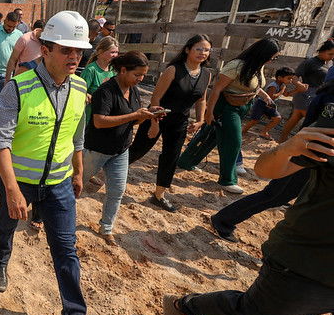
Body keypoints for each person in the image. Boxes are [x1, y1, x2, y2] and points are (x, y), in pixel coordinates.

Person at [162, 124, 334, 315]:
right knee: (258, 313)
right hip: (309, 259)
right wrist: (288, 147)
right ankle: (184, 305)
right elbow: (266, 169)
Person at [0, 10, 105, 315]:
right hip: (19, 182)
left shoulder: (81, 87)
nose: (74, 58)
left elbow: (77, 133)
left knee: (66, 251)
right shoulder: (18, 87)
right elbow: (0, 140)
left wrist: (78, 170)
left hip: (58, 185)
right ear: (45, 49)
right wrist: (11, 190)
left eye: (79, 52)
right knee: (7, 223)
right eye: (67, 50)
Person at [209, 67, 334, 242]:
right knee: (273, 195)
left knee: (280, 197)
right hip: (308, 156)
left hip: (314, 158)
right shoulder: (329, 100)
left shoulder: (325, 96)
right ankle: (223, 219)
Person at [178, 38, 280, 194]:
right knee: (233, 143)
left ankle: (186, 161)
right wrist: (209, 113)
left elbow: (255, 85)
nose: (272, 60)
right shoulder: (236, 66)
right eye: (272, 57)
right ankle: (228, 180)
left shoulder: (257, 67)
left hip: (241, 107)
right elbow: (217, 89)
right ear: (262, 54)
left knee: (210, 136)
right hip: (226, 107)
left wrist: (266, 97)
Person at [128, 35, 213, 212]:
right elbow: (156, 98)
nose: (203, 53)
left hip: (180, 122)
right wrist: (154, 122)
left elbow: (202, 99)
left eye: (206, 50)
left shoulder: (206, 74)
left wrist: (199, 120)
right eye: (199, 48)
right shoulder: (173, 70)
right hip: (159, 116)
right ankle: (111, 168)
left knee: (171, 157)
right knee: (138, 150)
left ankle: (159, 195)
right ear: (188, 50)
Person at [82, 51, 155, 245]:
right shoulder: (105, 92)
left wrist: (148, 115)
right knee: (74, 184)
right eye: (137, 75)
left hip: (121, 150)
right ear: (123, 70)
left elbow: (134, 119)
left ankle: (106, 228)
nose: (140, 79)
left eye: (143, 76)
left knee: (116, 191)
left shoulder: (133, 90)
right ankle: (49, 212)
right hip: (96, 149)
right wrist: (133, 116)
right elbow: (99, 121)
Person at [278, 40, 334, 142]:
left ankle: (283, 138)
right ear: (321, 51)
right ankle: (298, 142)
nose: (332, 57)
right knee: (310, 120)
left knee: (296, 117)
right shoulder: (310, 62)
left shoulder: (328, 63)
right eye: (330, 54)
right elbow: (295, 77)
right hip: (307, 94)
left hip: (316, 95)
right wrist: (299, 85)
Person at [242, 67, 300, 139]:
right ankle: (243, 132)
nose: (291, 81)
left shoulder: (282, 85)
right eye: (289, 78)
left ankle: (264, 132)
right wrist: (282, 91)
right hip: (261, 103)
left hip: (270, 105)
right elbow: (271, 97)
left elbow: (286, 94)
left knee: (277, 118)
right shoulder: (273, 86)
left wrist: (298, 90)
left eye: (291, 79)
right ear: (279, 78)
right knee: (255, 120)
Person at [79, 36, 119, 124]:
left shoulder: (113, 70)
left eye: (116, 52)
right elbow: (80, 91)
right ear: (101, 51)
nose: (115, 55)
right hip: (90, 117)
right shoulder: (91, 70)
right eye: (112, 52)